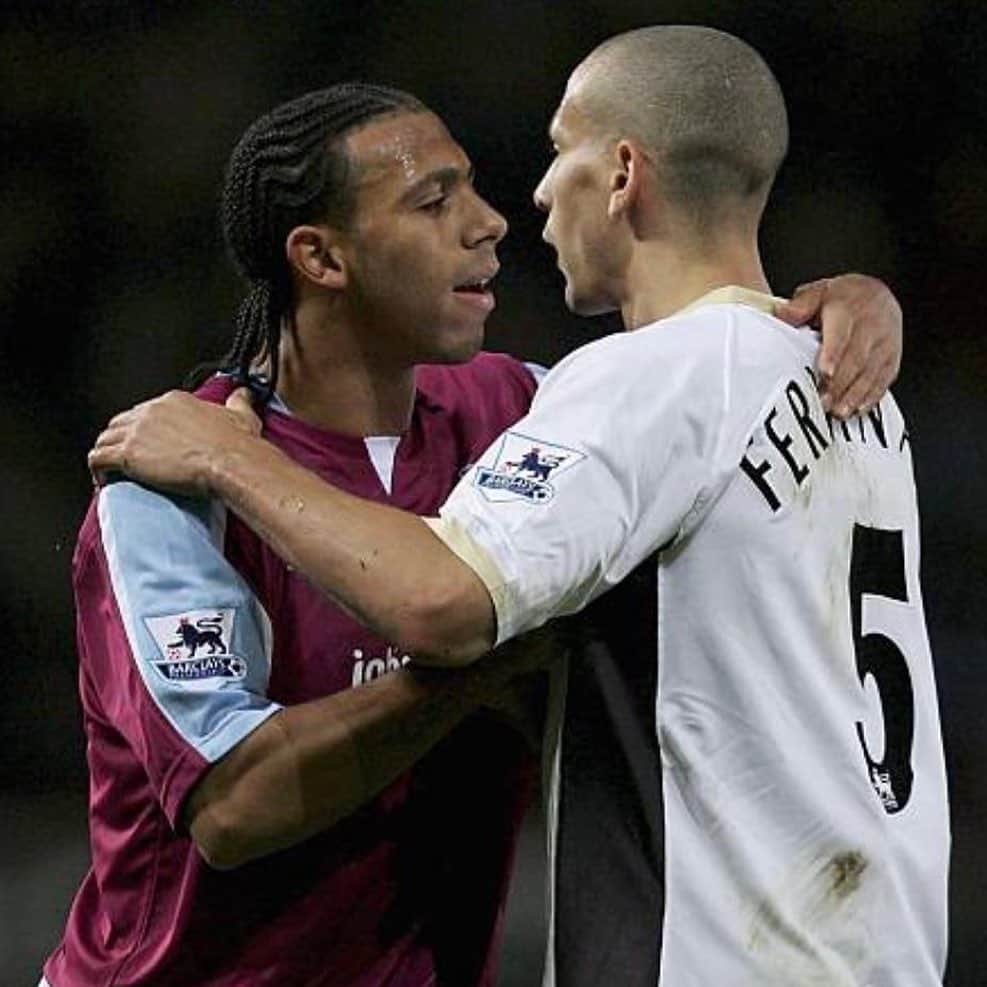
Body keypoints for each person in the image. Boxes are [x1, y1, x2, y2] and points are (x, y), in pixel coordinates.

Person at [79, 58, 911, 987]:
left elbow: (688, 410)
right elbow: (233, 806)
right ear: (321, 258)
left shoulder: (522, 411)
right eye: (435, 204)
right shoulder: (171, 483)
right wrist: (488, 665)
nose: (492, 221)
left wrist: (841, 304)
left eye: (473, 186)